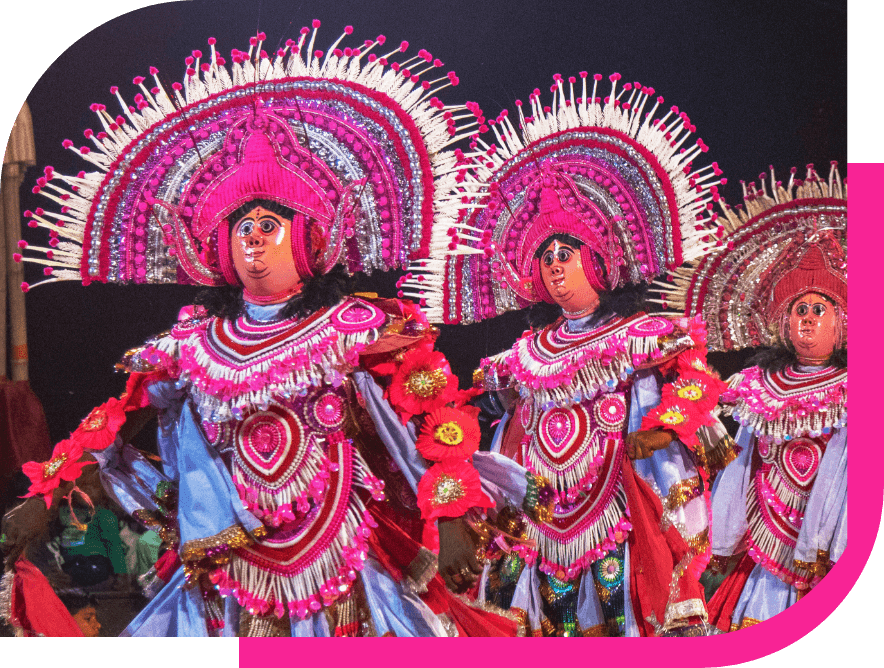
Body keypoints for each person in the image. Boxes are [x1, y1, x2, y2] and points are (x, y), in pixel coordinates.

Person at [4, 26, 517, 637]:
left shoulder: (354, 326)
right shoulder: (191, 345)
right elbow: (113, 425)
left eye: (269, 225)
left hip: (341, 551)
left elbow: (436, 418)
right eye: (240, 227)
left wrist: (453, 518)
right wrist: (41, 503)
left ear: (309, 237)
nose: (252, 240)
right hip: (233, 566)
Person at [408, 73, 735, 636]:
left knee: (620, 614)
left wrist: (665, 427)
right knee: (536, 621)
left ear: (602, 259)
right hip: (538, 512)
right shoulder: (526, 353)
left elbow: (694, 381)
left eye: (568, 251)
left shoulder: (643, 335)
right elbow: (476, 410)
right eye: (546, 257)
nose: (556, 266)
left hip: (618, 505)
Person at [661, 165, 847, 631]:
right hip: (762, 549)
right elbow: (739, 462)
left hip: (828, 542)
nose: (808, 318)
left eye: (819, 309)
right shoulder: (758, 386)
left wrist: (833, 542)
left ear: (843, 323)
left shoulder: (854, 389)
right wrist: (724, 537)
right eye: (799, 309)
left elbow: (850, 469)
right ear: (783, 322)